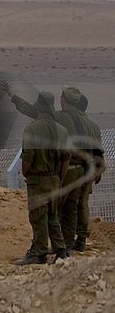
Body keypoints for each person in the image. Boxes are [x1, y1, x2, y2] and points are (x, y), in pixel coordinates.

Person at [4, 84, 70, 264]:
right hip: (55, 179)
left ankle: (39, 253)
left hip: (38, 179)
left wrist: (26, 173)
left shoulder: (32, 129)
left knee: (38, 216)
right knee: (52, 215)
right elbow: (65, 160)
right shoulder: (62, 131)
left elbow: (27, 158)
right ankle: (61, 250)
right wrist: (59, 179)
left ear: (38, 107)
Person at [61, 88, 105, 251]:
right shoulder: (94, 125)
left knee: (70, 205)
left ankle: (68, 239)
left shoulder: (70, 121)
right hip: (90, 169)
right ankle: (81, 239)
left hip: (75, 168)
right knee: (83, 203)